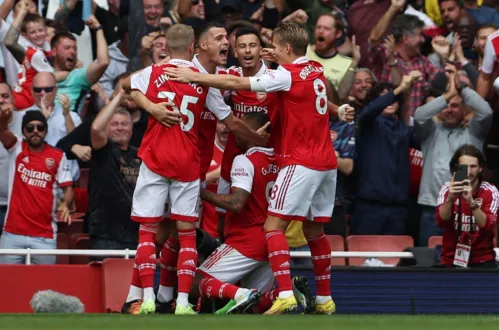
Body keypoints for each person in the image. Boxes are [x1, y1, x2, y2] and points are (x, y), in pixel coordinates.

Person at [165, 21, 355, 315]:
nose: (269, 52)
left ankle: (285, 294)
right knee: (314, 231)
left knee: (273, 226)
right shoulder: (315, 70)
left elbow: (236, 84)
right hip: (327, 162)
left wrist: (194, 77)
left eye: (274, 47)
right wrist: (338, 110)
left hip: (300, 159)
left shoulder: (283, 76)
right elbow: (312, 96)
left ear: (287, 49)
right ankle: (323, 299)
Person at [122, 24, 268, 316]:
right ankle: (135, 297)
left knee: (172, 232)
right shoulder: (182, 74)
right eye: (219, 39)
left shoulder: (216, 79)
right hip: (179, 162)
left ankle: (161, 297)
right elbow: (128, 84)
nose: (226, 43)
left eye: (228, 39)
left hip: (190, 166)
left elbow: (130, 85)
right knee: (165, 232)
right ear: (198, 47)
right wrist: (153, 107)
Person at [198, 112, 306, 315]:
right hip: (273, 239)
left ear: (258, 131)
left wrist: (201, 192)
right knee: (255, 307)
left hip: (247, 239)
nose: (235, 133)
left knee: (196, 281)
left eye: (241, 129)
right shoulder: (282, 161)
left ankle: (239, 294)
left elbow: (237, 202)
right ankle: (283, 292)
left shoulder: (245, 159)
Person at [414, 65, 493, 246]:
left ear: (464, 109)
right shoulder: (430, 132)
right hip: (432, 208)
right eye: (446, 106)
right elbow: (419, 116)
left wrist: (461, 88)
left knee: (464, 267)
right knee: (428, 266)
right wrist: (448, 96)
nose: (449, 109)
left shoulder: (474, 132)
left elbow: (486, 112)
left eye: (455, 106)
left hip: (466, 209)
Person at [216, 26, 281, 237]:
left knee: (265, 214)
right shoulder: (230, 76)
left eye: (252, 46)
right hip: (234, 154)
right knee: (223, 213)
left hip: (265, 157)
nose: (247, 51)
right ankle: (221, 250)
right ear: (235, 52)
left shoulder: (275, 78)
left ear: (261, 50)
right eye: (242, 46)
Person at [0, 109, 73, 264]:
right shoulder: (17, 147)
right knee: (8, 285)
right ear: (23, 132)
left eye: (40, 127)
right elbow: (2, 130)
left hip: (44, 236)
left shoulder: (58, 156)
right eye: (30, 128)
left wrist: (66, 203)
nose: (35, 131)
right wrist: (4, 119)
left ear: (46, 130)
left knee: (43, 285)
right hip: (13, 234)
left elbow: (68, 188)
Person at [352, 72, 421, 235]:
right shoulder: (367, 123)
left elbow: (422, 141)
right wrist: (398, 90)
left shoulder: (404, 129)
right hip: (369, 206)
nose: (390, 101)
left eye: (393, 99)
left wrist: (407, 94)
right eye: (384, 97)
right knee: (363, 258)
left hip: (398, 208)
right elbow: (370, 110)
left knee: (395, 258)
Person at [88, 91, 140, 257]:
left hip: (136, 236)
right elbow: (96, 128)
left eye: (124, 124)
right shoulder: (104, 151)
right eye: (114, 124)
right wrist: (120, 95)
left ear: (131, 129)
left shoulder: (141, 155)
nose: (120, 128)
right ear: (107, 128)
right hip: (106, 237)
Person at [436, 144, 499, 268]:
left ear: (480, 168)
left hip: (482, 260)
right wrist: (450, 198)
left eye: (473, 166)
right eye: (464, 167)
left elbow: (487, 226)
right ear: (456, 168)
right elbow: (441, 222)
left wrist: (471, 201)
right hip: (451, 259)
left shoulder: (490, 191)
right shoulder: (447, 188)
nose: (469, 171)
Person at [51, 15, 109, 113]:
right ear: (54, 51)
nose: (72, 52)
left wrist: (98, 28)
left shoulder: (79, 76)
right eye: (67, 48)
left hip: (69, 126)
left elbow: (103, 62)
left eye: (75, 48)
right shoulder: (41, 70)